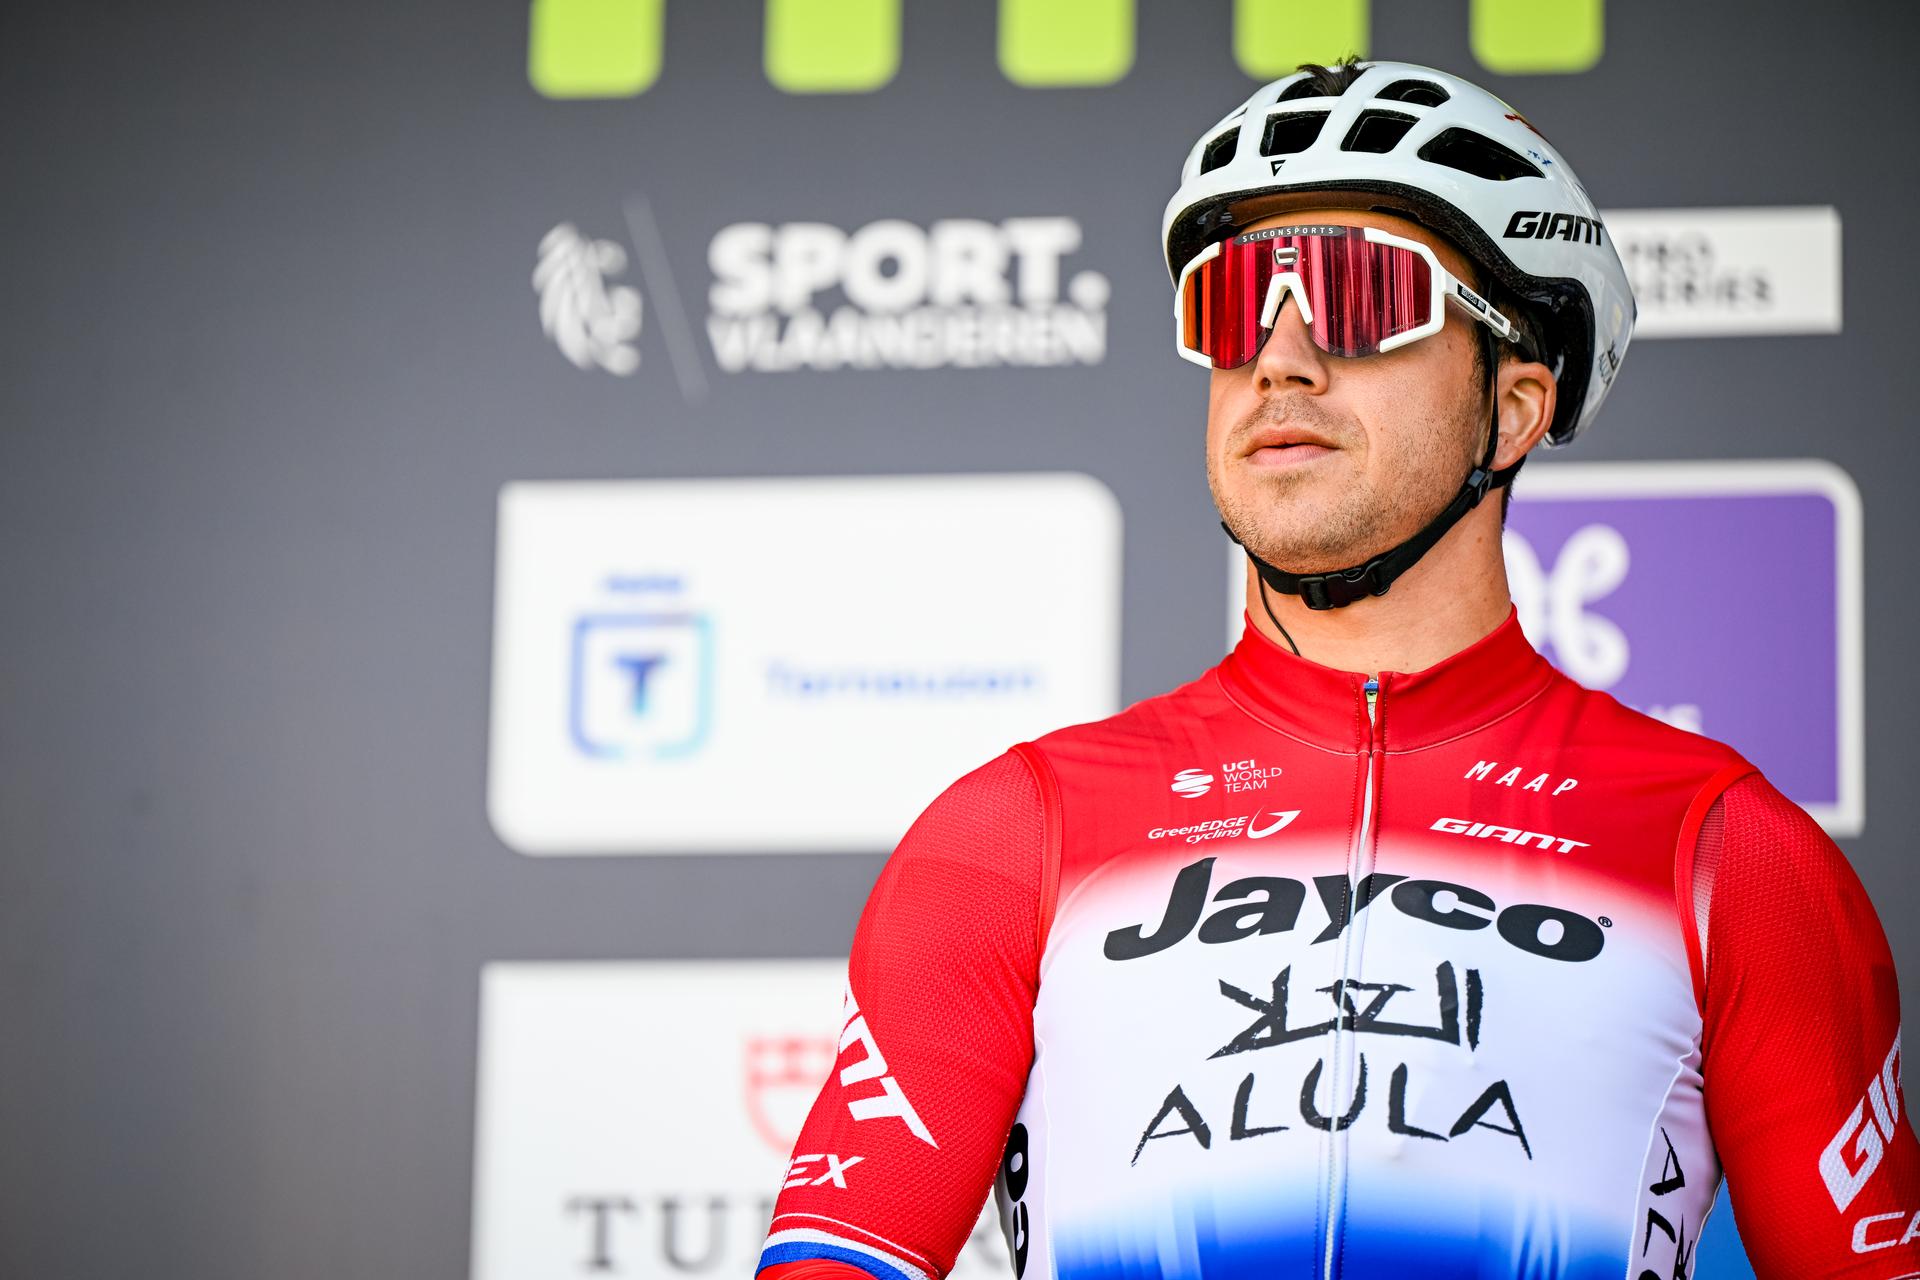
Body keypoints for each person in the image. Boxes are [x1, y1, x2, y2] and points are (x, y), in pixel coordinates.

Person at [755, 58, 1918, 1280]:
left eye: (1366, 298)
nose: (1281, 357)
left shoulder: (1734, 856)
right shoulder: (1007, 835)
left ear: (1514, 406)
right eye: (1234, 299)